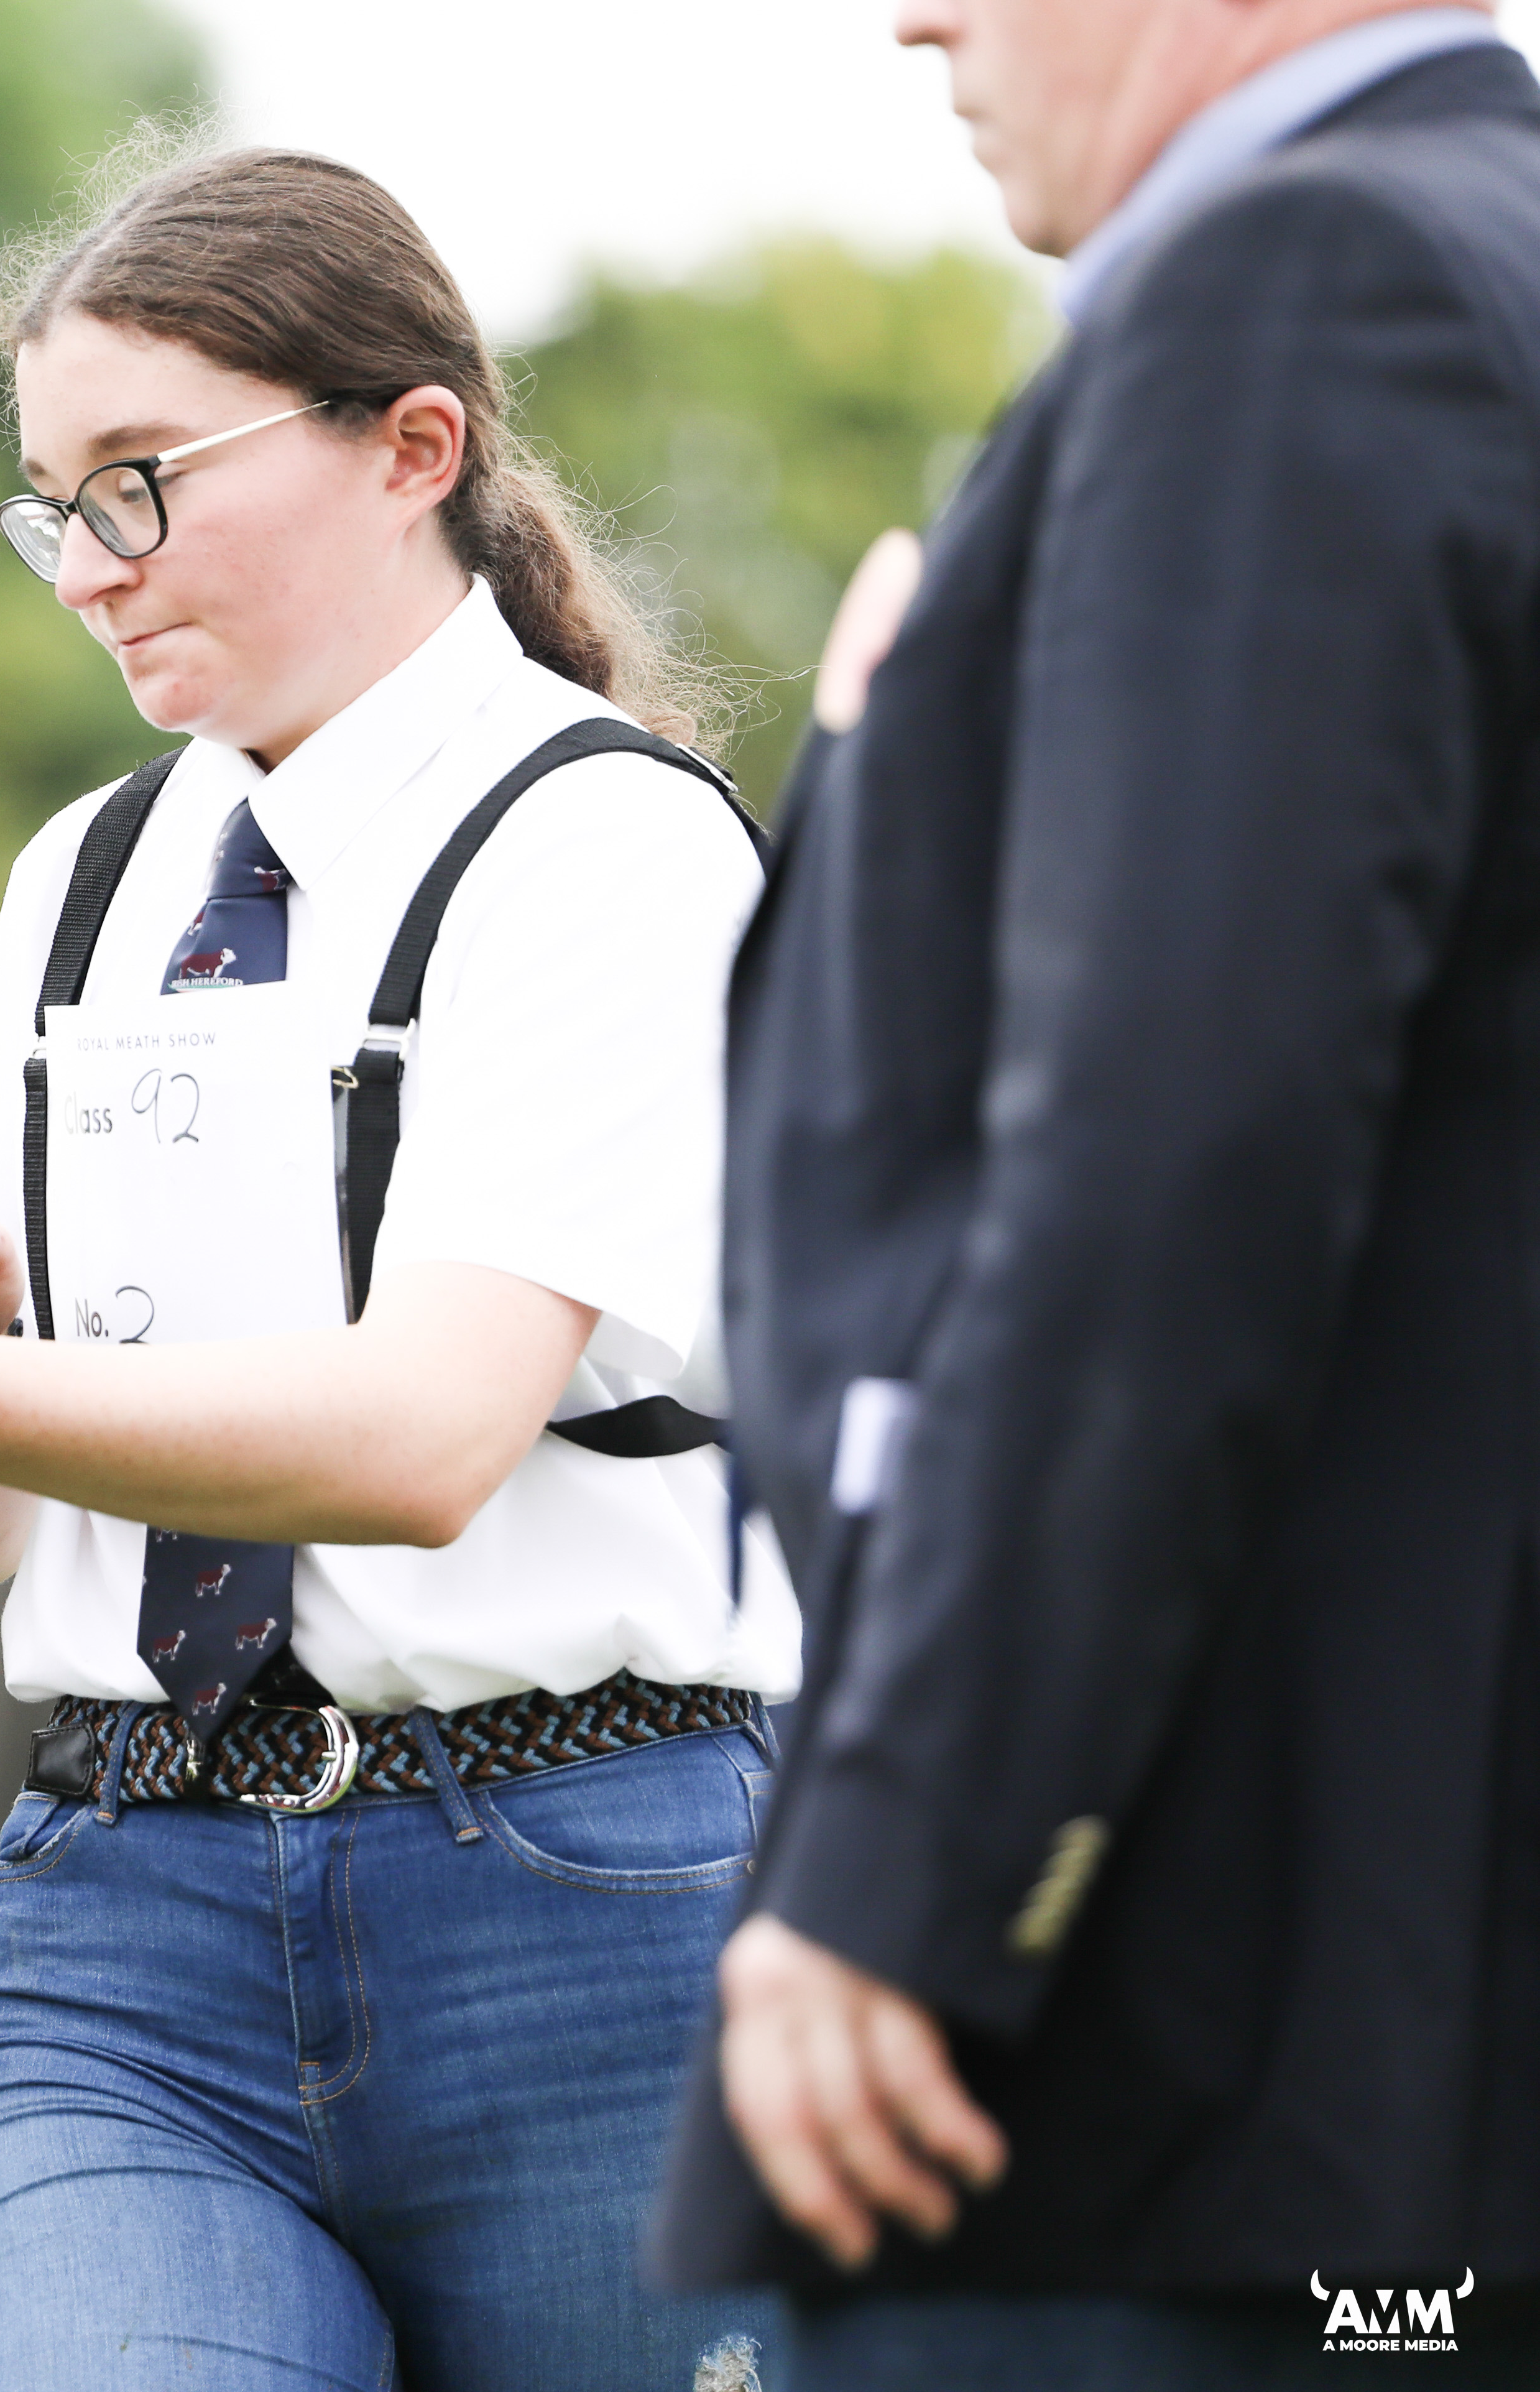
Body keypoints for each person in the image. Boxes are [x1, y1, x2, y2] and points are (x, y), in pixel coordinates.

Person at [0, 137, 792, 2392]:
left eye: (139, 483)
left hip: (582, 1899)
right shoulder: (85, 877)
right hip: (122, 1920)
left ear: (413, 449)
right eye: (49, 507)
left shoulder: (607, 844)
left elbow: (420, 1443)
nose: (86, 573)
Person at [652, 2, 1540, 2383]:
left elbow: (1170, 1161)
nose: (915, 16)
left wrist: (919, 1856)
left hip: (1205, 2034)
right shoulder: (1481, 261)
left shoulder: (1306, 284)